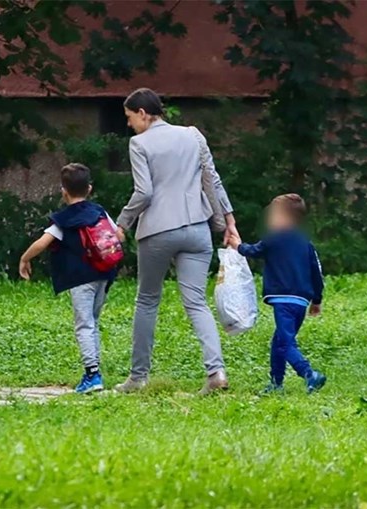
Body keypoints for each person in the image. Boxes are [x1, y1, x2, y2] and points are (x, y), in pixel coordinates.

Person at [113, 87, 239, 395]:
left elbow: (144, 192)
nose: (129, 124)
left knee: (147, 300)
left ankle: (138, 377)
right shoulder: (193, 135)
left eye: (130, 117)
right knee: (196, 302)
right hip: (197, 228)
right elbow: (213, 179)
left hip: (158, 230)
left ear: (143, 114)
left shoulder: (139, 143)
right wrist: (228, 222)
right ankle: (217, 372)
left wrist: (122, 223)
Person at [19, 163, 118, 394]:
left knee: (84, 325)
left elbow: (42, 243)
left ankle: (92, 375)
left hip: (80, 279)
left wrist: (24, 259)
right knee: (92, 322)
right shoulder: (99, 212)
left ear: (63, 190)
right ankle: (94, 371)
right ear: (90, 188)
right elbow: (117, 233)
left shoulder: (63, 220)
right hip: (104, 274)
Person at [228, 193, 327, 394]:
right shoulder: (306, 244)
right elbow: (317, 273)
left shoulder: (274, 240)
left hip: (283, 300)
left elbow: (254, 250)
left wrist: (237, 245)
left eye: (272, 215)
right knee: (279, 342)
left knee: (285, 343)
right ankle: (276, 383)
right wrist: (316, 299)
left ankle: (309, 373)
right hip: (301, 302)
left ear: (284, 218)